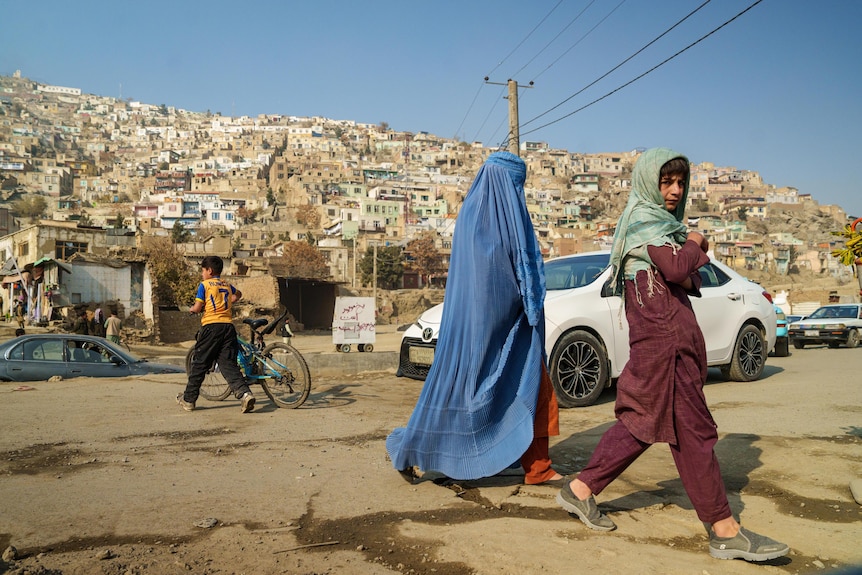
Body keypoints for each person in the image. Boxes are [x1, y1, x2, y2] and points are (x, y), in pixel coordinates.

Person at [555, 148, 789, 562]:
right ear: (649, 182)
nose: (674, 191)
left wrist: (687, 248)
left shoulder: (661, 227)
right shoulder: (647, 224)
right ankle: (724, 529)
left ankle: (580, 489)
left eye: (680, 183)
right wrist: (696, 241)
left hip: (666, 345)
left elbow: (681, 275)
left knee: (641, 424)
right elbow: (679, 269)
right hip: (666, 348)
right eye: (666, 182)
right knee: (694, 434)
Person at [386, 151, 565, 486]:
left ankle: (530, 465)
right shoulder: (502, 224)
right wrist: (529, 304)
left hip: (467, 331)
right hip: (509, 328)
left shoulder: (470, 216)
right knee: (534, 390)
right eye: (515, 186)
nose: (517, 194)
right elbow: (505, 279)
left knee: (453, 395)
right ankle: (536, 467)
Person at [177, 255, 255, 414]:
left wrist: (192, 309)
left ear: (209, 270)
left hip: (211, 327)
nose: (202, 274)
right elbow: (238, 294)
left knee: (199, 364)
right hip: (228, 327)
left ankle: (189, 399)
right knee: (228, 365)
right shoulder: (226, 284)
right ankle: (245, 394)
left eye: (203, 270)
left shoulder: (204, 285)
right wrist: (227, 302)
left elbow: (198, 307)